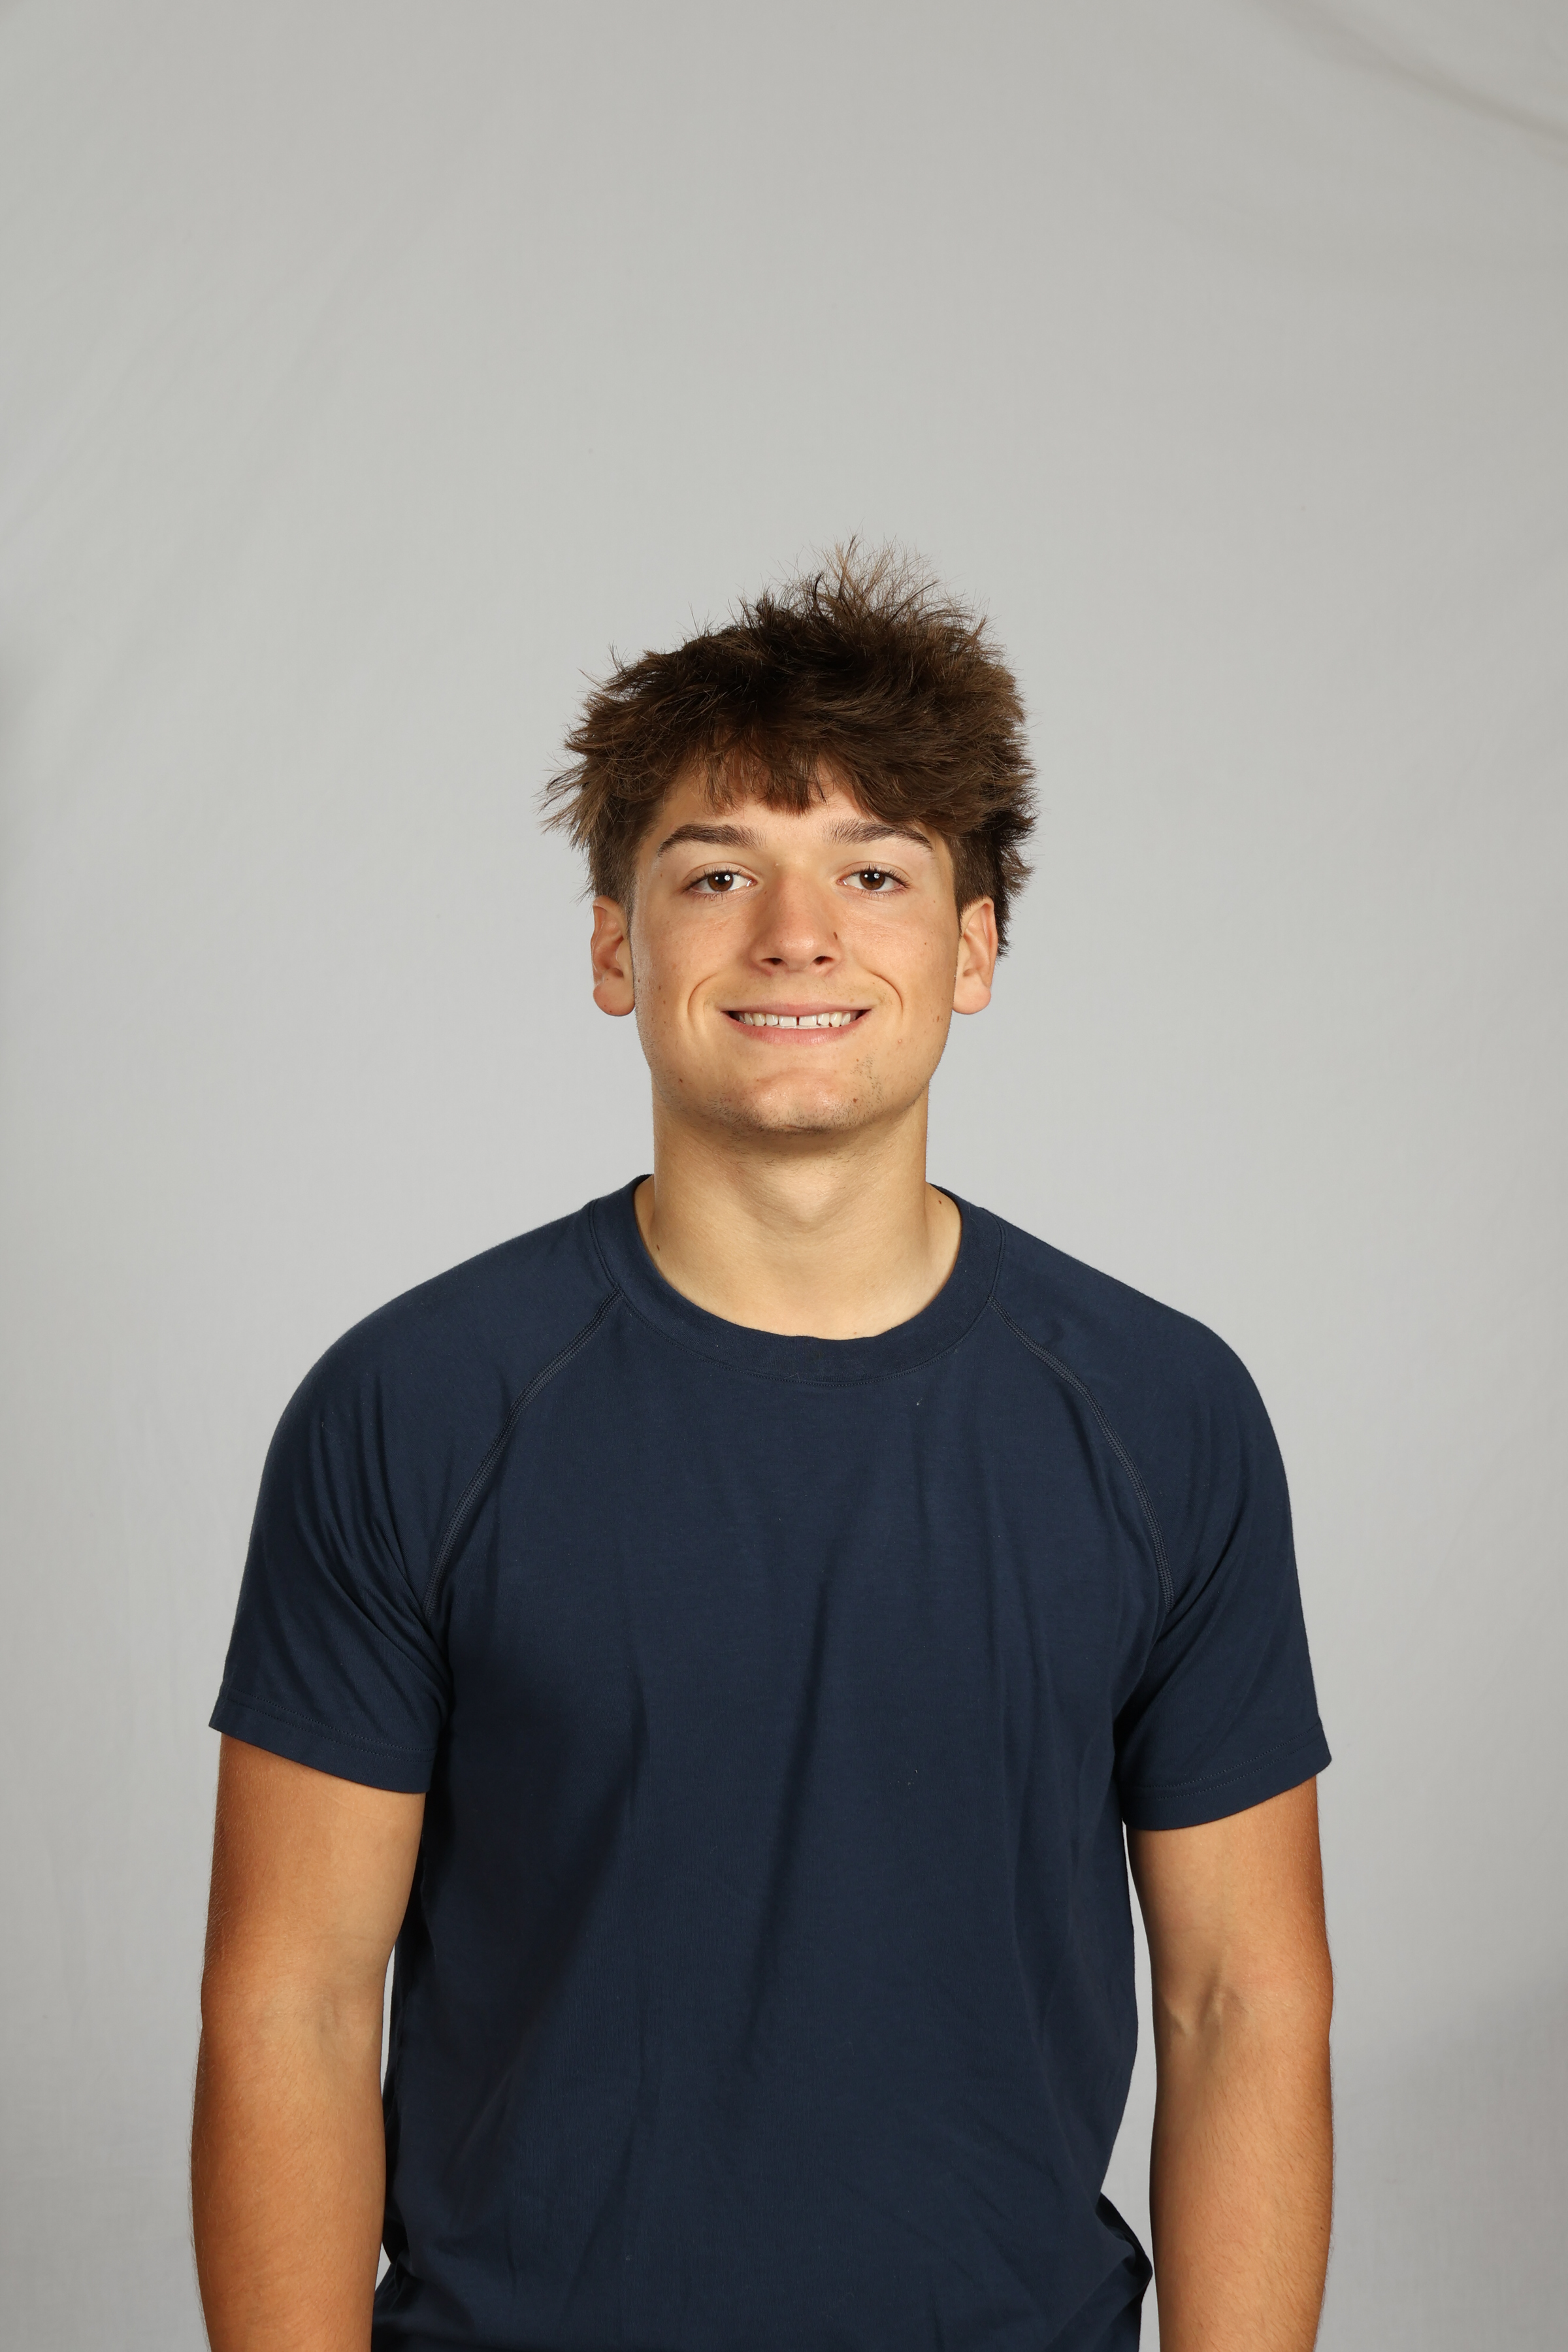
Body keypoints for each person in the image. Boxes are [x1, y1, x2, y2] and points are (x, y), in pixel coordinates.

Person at [193, 552, 1333, 2352]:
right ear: (614, 947)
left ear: (973, 949)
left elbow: (1240, 2003)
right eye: (716, 873)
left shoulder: (1164, 1412)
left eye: (874, 873)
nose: (797, 935)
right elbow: (292, 2009)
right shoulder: (413, 1406)